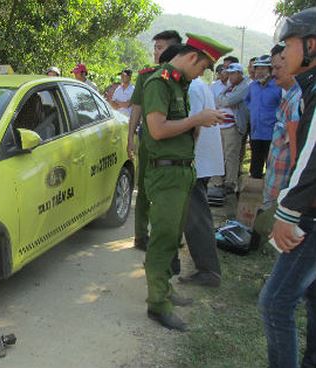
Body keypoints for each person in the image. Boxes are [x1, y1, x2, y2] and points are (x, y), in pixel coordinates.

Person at [141, 33, 231, 331]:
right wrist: (197, 120)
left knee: (173, 238)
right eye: (204, 66)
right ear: (193, 58)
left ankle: (165, 289)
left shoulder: (180, 84)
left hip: (181, 172)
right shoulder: (160, 82)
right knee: (163, 239)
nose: (203, 73)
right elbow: (157, 129)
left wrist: (198, 124)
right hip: (165, 174)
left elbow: (179, 128)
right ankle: (157, 304)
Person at [258, 7, 316, 367]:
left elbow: (311, 155)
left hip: (308, 214)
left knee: (275, 302)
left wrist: (287, 211)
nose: (285, 53)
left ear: (311, 45)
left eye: (290, 45)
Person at [128, 29, 182, 251]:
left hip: (173, 145)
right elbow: (137, 107)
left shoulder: (182, 77)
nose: (155, 52)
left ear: (174, 49)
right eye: (155, 47)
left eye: (160, 48)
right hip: (149, 142)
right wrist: (130, 136)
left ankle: (167, 236)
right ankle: (141, 236)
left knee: (169, 192)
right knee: (144, 188)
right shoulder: (146, 75)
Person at [179, 75, 224, 288]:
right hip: (200, 160)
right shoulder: (199, 85)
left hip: (195, 161)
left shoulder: (192, 88)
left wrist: (185, 158)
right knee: (190, 214)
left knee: (197, 218)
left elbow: (193, 126)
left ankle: (208, 270)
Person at [262, 44, 301, 210]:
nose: (273, 73)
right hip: (276, 189)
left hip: (284, 195)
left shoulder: (298, 101)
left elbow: (295, 155)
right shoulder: (289, 97)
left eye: (277, 67)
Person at [210, 63, 251, 194]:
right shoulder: (225, 86)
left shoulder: (244, 86)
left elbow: (228, 101)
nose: (230, 76)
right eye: (229, 73)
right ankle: (218, 181)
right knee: (219, 153)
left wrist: (223, 99)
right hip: (218, 124)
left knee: (231, 154)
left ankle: (230, 182)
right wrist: (223, 99)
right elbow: (216, 101)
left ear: (240, 73)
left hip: (232, 125)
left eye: (233, 73)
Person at [245, 55, 282, 179]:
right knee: (255, 165)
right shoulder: (252, 86)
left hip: (272, 132)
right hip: (256, 131)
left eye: (263, 69)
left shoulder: (278, 87)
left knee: (271, 165)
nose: (259, 72)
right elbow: (247, 101)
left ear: (270, 70)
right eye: (257, 69)